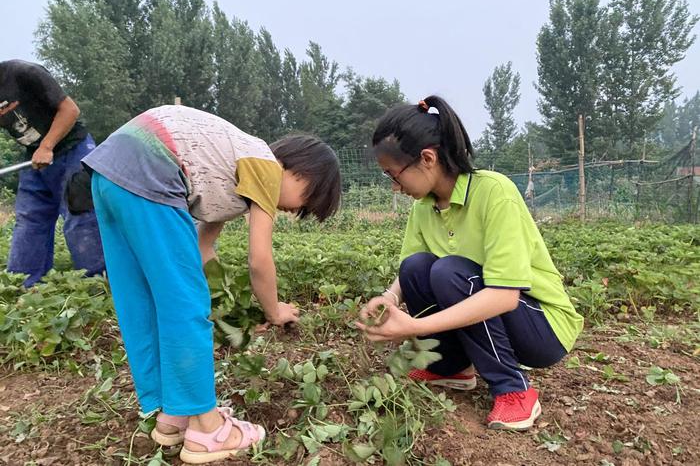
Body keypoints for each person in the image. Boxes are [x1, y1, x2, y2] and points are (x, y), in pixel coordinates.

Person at [82, 104, 341, 463]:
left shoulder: (233, 168)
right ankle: (207, 428)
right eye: (305, 203)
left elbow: (203, 247)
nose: (294, 212)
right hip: (151, 170)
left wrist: (223, 294)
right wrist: (273, 309)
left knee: (145, 300)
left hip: (110, 170)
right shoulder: (265, 165)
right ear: (299, 172)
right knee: (185, 305)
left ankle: (174, 414)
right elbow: (260, 259)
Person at [356, 95, 583, 431]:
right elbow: (409, 275)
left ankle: (514, 390)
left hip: (541, 327)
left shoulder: (494, 192)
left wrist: (413, 328)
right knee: (416, 268)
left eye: (394, 175)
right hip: (494, 307)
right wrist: (388, 299)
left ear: (428, 158)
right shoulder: (424, 207)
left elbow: (505, 296)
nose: (394, 186)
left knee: (450, 273)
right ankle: (451, 368)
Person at [0, 59, 104, 286]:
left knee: (80, 215)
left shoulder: (23, 73)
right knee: (29, 218)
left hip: (72, 148)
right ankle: (24, 286)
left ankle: (97, 284)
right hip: (34, 156)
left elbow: (70, 110)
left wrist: (47, 146)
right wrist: (41, 150)